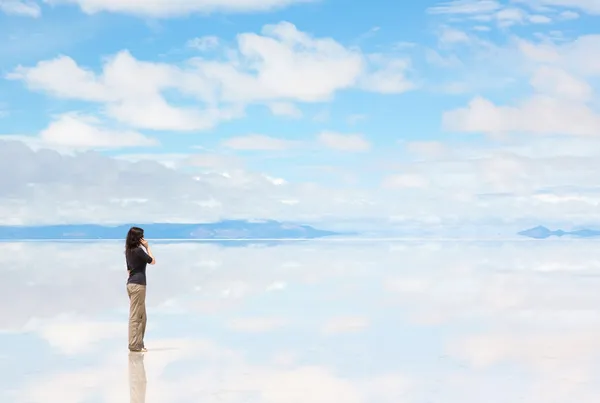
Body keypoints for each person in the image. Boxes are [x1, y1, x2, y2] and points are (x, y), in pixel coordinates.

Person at [125, 226, 156, 352]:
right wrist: (147, 247)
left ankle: (139, 344)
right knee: (136, 316)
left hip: (131, 284)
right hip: (138, 285)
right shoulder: (138, 251)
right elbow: (152, 261)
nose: (143, 238)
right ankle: (134, 345)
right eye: (141, 236)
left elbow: (128, 270)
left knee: (142, 316)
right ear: (138, 238)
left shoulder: (128, 251)